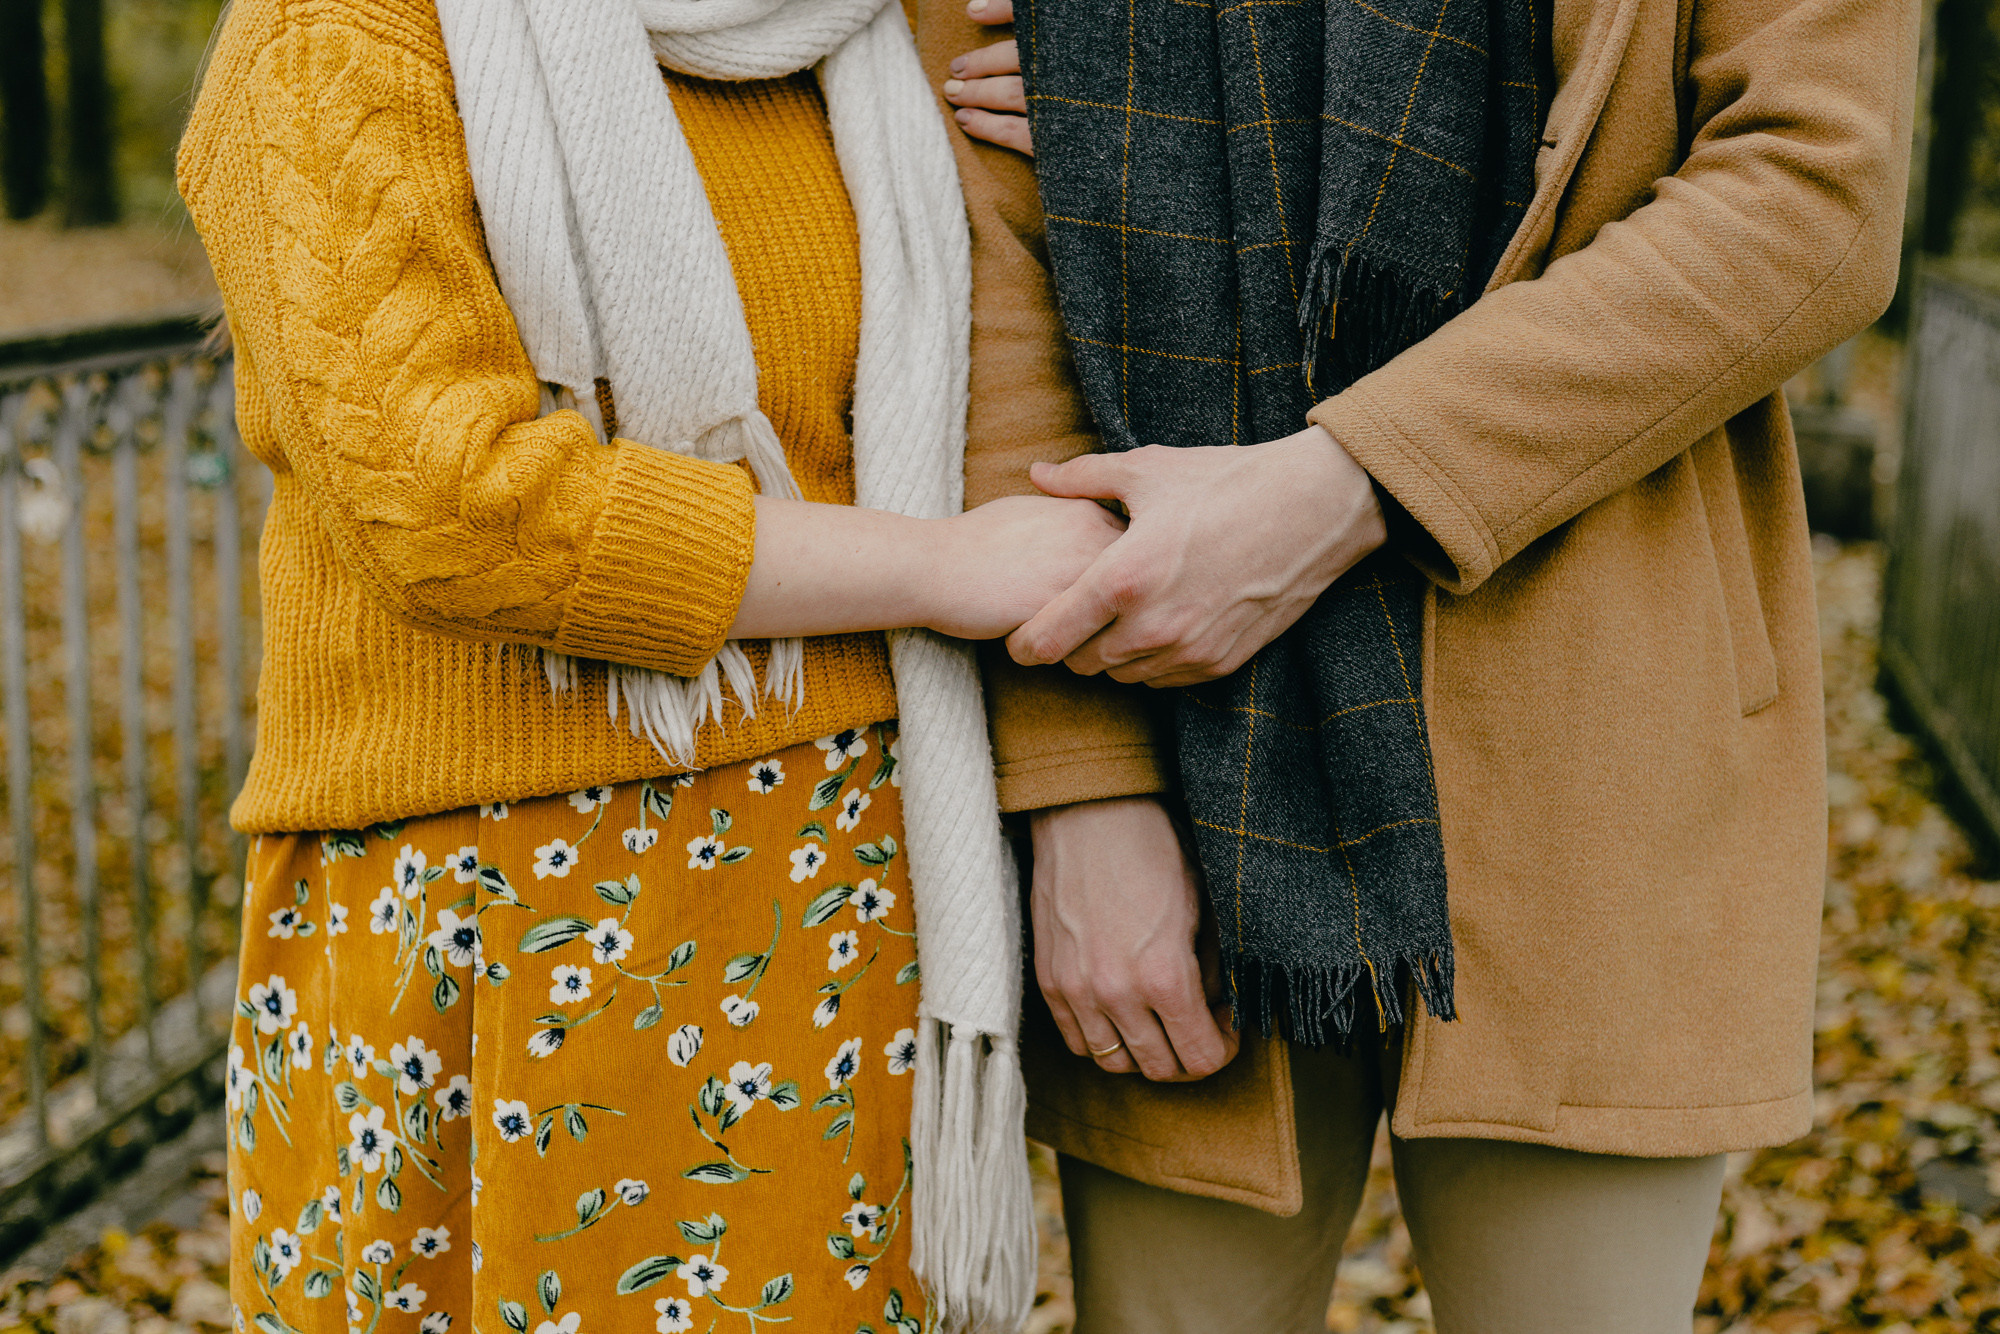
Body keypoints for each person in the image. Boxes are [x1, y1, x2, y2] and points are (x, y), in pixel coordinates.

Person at [925, 0, 1921, 1328]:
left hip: (1599, 737)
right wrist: (1080, 788)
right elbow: (990, 252)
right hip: (1174, 731)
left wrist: (1352, 484)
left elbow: (1814, 189)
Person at [179, 1, 1110, 1329]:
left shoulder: (867, 28)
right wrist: (937, 566)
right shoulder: (338, 30)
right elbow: (451, 507)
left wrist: (1128, 117)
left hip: (838, 894)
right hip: (493, 900)